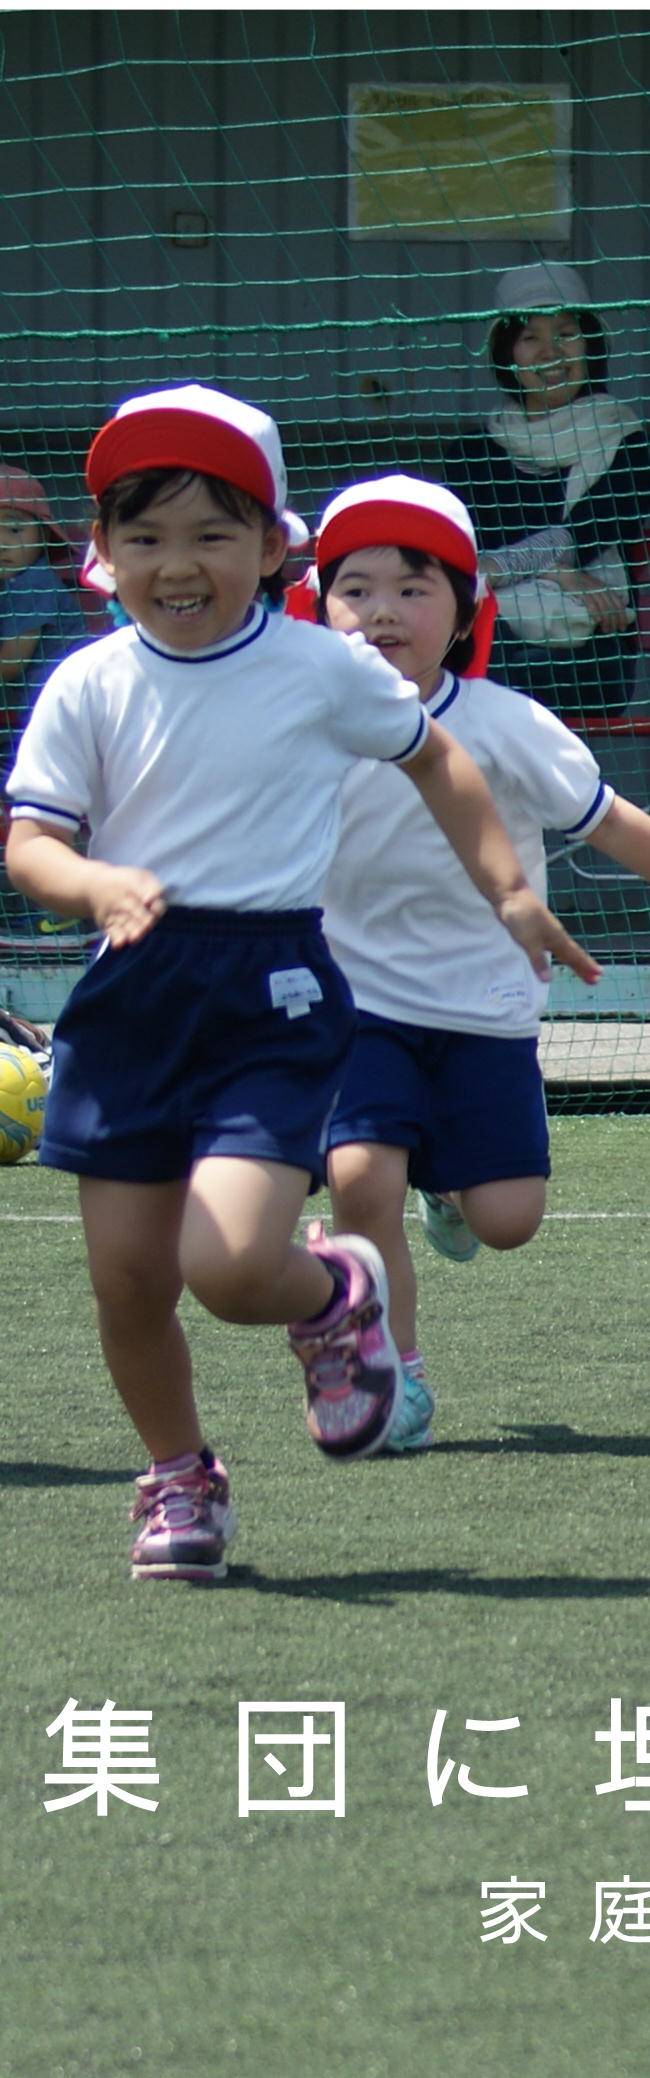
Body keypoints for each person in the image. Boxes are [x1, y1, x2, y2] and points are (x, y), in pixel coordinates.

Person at [3, 386, 590, 1579]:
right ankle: (180, 1481)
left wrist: (508, 890)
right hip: (127, 997)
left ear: (276, 550)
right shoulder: (87, 683)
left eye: (213, 534)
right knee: (125, 1282)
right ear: (101, 554)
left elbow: (441, 761)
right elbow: (28, 841)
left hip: (269, 993)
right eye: (145, 534)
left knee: (222, 1271)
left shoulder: (321, 669)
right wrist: (92, 885)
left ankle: (333, 1289)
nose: (178, 563)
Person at [303, 476, 650, 1453]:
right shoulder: (296, 723)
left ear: (468, 611)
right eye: (356, 587)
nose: (383, 609)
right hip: (351, 1002)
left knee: (507, 1219)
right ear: (315, 605)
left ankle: (449, 1184)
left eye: (415, 587)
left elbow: (610, 820)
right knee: (357, 1177)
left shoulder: (505, 723)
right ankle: (395, 1375)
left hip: (485, 1004)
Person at [446, 261, 650, 717]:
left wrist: (531, 565)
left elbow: (589, 531)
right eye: (531, 339)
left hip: (587, 648)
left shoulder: (629, 440)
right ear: (506, 354)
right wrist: (560, 573)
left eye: (566, 333)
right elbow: (471, 551)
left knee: (481, 688)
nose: (551, 353)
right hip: (497, 636)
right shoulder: (472, 452)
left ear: (591, 344)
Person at [0, 459, 87, 740]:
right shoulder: (12, 582)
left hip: (60, 711)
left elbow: (11, 664)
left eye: (14, 530)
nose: (2, 543)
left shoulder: (33, 583)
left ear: (43, 535)